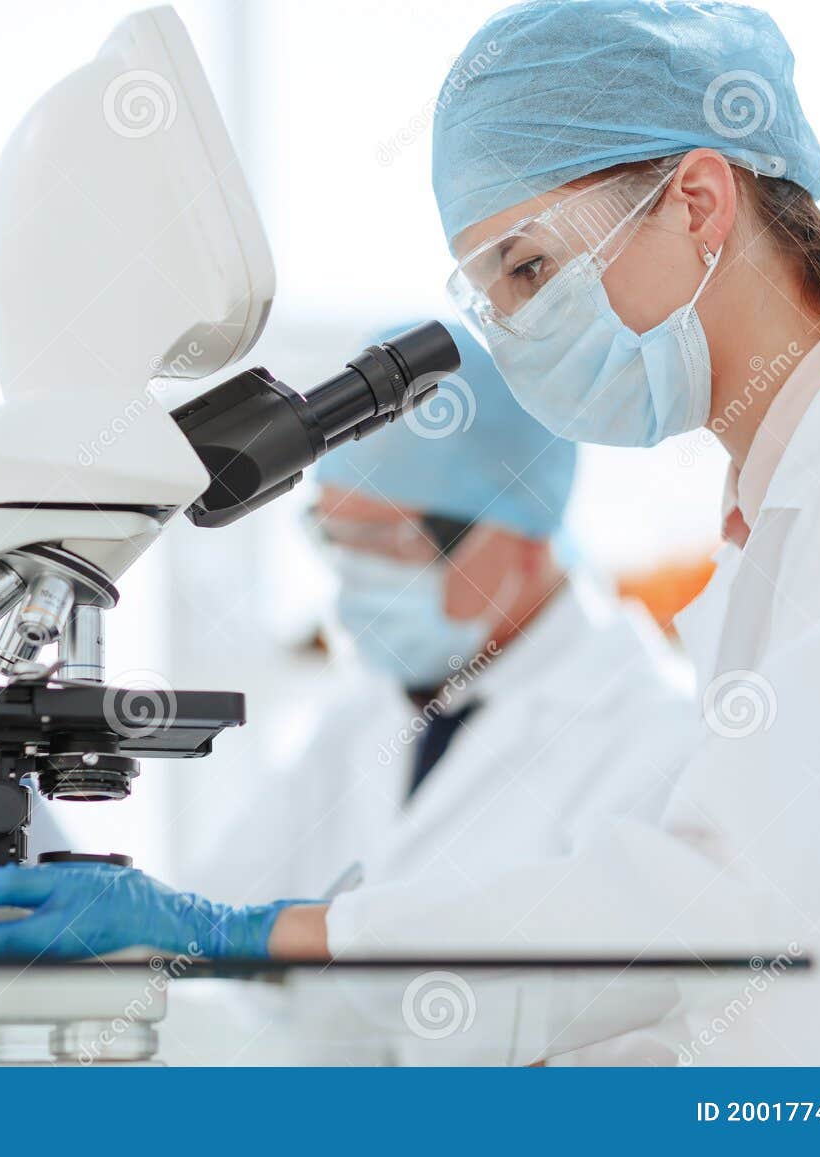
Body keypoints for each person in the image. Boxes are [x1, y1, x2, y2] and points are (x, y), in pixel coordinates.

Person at [0, 0, 820, 1066]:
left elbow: (745, 897)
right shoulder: (795, 489)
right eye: (491, 294)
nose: (514, 332)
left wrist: (259, 933)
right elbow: (720, 970)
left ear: (698, 203)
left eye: (529, 268)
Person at [179, 322, 698, 919]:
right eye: (337, 538)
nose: (354, 577)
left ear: (526, 539)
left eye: (386, 542)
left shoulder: (657, 741)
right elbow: (215, 911)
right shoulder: (364, 716)